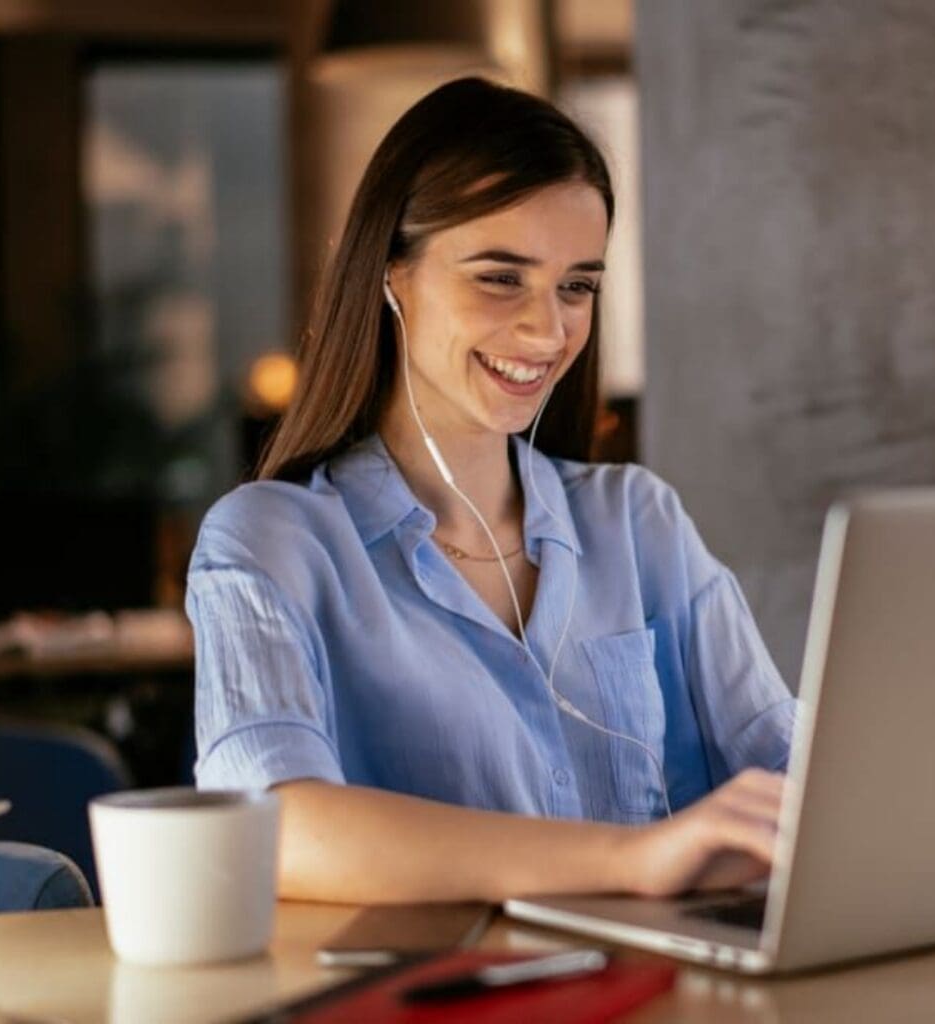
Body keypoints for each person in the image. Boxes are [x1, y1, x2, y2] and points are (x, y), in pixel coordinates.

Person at [186, 77, 797, 905]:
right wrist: (634, 859)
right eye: (500, 278)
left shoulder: (636, 521)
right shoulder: (271, 540)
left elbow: (796, 780)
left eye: (576, 285)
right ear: (391, 274)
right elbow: (274, 827)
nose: (548, 330)